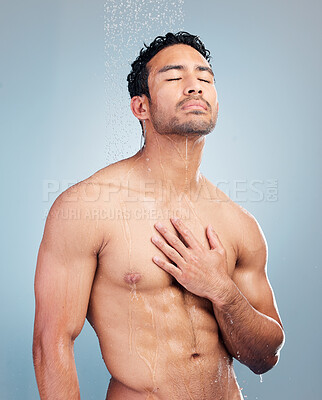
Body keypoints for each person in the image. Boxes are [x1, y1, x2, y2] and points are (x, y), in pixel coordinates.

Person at [33, 31, 285, 400]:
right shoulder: (86, 207)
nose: (194, 87)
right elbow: (50, 343)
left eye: (205, 78)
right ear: (141, 107)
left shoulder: (238, 223)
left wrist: (222, 291)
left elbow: (264, 358)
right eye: (174, 77)